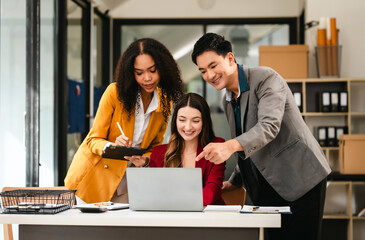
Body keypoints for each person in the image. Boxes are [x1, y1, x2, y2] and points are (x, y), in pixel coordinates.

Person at [191, 33, 331, 240]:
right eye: (203, 71)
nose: (210, 75)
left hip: (301, 179)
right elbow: (249, 145)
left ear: (230, 58)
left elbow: (268, 127)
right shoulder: (228, 101)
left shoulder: (265, 78)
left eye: (213, 66)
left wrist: (228, 146)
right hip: (267, 187)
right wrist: (235, 181)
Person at [64, 38, 184, 204]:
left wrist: (146, 159)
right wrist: (113, 146)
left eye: (152, 70)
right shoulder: (114, 93)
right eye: (139, 73)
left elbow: (154, 147)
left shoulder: (165, 101)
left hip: (129, 182)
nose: (147, 78)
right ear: (130, 72)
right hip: (94, 179)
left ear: (163, 68)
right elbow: (93, 140)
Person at [149, 93, 226, 206]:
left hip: (209, 218)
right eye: (182, 120)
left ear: (204, 122)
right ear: (175, 121)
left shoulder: (217, 147)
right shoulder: (158, 153)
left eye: (195, 121)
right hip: (171, 218)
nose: (188, 127)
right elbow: (154, 194)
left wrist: (179, 206)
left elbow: (212, 189)